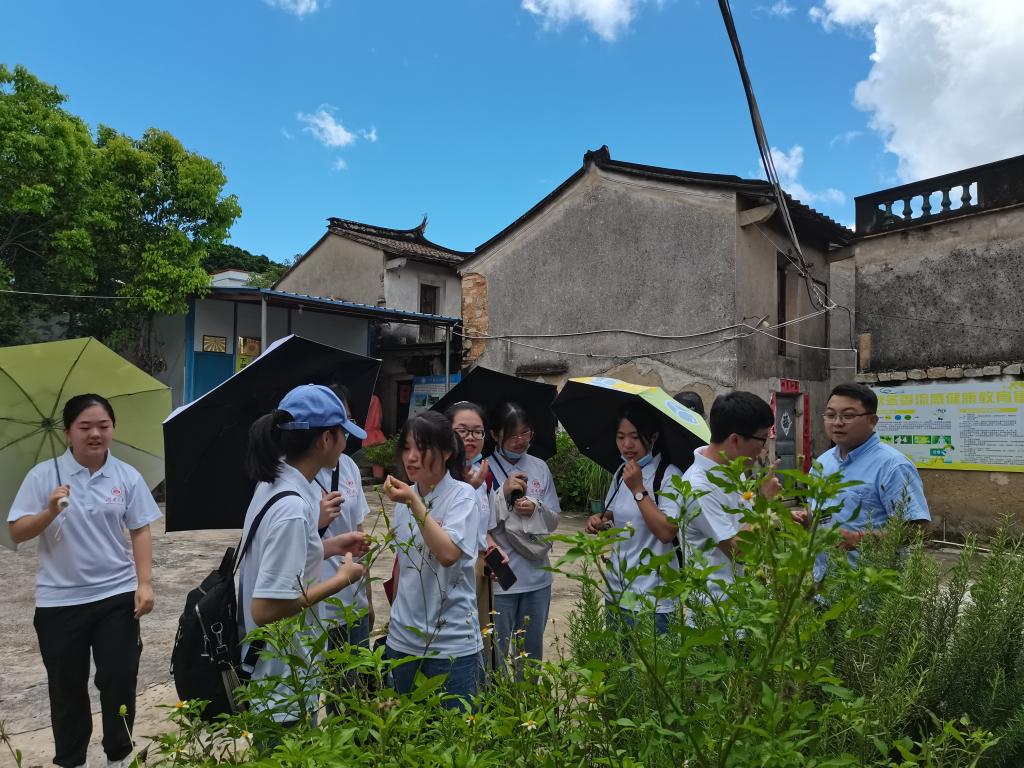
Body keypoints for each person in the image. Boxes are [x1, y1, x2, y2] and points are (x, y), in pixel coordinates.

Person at [8, 394, 161, 768]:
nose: (95, 434)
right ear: (68, 433)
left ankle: (119, 756)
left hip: (116, 595)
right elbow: (17, 531)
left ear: (113, 429)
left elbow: (140, 529)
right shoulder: (43, 476)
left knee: (119, 677)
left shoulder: (126, 476)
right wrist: (49, 510)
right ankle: (71, 760)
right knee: (67, 688)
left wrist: (144, 583)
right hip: (59, 601)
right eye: (85, 427)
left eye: (103, 426)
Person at [238, 384, 368, 724]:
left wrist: (332, 546)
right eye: (342, 434)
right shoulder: (293, 508)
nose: (346, 443)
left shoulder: (274, 484)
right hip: (283, 684)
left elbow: (283, 558)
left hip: (281, 673)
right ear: (325, 439)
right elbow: (265, 609)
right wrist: (340, 580)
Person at [381, 411, 484, 707]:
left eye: (422, 448)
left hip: (452, 644)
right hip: (403, 640)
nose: (411, 457)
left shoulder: (463, 496)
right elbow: (403, 566)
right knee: (406, 729)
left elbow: (448, 554)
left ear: (447, 452)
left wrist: (414, 502)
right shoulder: (404, 500)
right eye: (406, 448)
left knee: (454, 731)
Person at [799, 383, 931, 582]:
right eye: (831, 415)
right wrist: (805, 519)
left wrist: (859, 539)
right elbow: (816, 513)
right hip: (823, 583)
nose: (837, 423)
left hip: (872, 588)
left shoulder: (893, 466)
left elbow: (916, 530)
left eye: (848, 416)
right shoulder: (823, 463)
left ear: (872, 420)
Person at [585, 405, 684, 635]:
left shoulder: (669, 475)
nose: (627, 445)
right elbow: (612, 513)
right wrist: (598, 520)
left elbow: (667, 532)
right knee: (618, 657)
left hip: (653, 599)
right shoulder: (622, 472)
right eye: (620, 437)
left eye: (635, 437)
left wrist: (638, 489)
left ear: (653, 437)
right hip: (617, 591)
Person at [679, 391, 781, 607]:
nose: (764, 448)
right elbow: (738, 551)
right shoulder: (699, 487)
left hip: (742, 600)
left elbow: (742, 523)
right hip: (717, 610)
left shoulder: (733, 470)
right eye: (762, 439)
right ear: (735, 439)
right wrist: (763, 501)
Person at [487, 402, 561, 673]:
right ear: (495, 435)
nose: (520, 441)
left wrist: (536, 508)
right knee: (496, 654)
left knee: (530, 656)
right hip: (502, 580)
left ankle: (529, 697)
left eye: (525, 433)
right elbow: (478, 524)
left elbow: (554, 519)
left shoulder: (540, 467)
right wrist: (503, 493)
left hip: (538, 577)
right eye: (512, 435)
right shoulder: (484, 470)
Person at [444, 401, 506, 668]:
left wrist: (493, 548)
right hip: (448, 575)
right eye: (462, 431)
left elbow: (485, 530)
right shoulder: (436, 478)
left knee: (481, 645)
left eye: (477, 431)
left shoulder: (484, 477)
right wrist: (463, 490)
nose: (471, 438)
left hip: (478, 572)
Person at [317, 385, 373, 654]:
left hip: (353, 601)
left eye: (349, 418)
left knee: (353, 679)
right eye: (341, 421)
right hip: (317, 606)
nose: (346, 429)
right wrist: (318, 522)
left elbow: (360, 537)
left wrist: (368, 599)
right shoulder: (292, 477)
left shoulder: (349, 466)